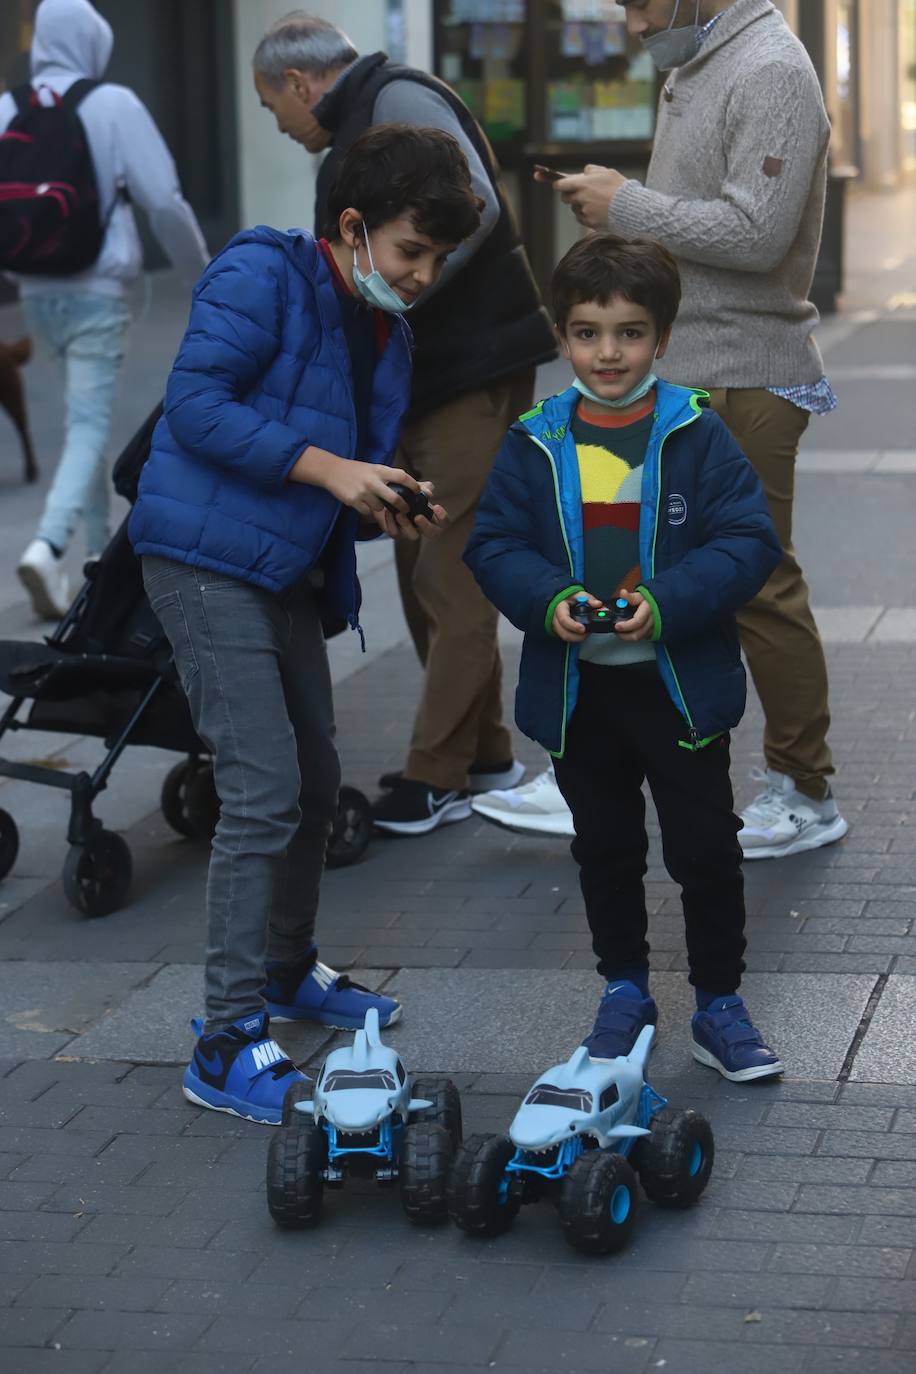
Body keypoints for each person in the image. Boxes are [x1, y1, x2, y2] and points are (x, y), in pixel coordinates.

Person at [129, 125, 482, 1124]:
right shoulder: (262, 271)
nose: (419, 277)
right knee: (263, 791)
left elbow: (333, 456)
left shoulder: (384, 326)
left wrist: (381, 495)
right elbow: (195, 405)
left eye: (436, 262)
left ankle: (286, 974)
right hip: (200, 563)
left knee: (317, 780)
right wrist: (333, 470)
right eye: (410, 253)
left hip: (276, 567)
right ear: (351, 226)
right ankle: (225, 1038)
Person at [526, 0, 848, 862]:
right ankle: (599, 761)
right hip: (692, 367)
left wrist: (626, 203)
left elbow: (757, 231)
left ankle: (805, 788)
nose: (631, 22)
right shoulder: (700, 61)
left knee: (757, 578)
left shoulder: (772, 68)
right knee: (644, 563)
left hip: (748, 369)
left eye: (638, 2)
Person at [465, 233, 784, 1082]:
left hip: (678, 689)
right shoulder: (535, 441)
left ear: (662, 338)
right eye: (588, 332)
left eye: (630, 332)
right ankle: (624, 991)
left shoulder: (696, 433)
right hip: (581, 695)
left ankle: (719, 1002)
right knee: (604, 847)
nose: (609, 352)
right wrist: (548, 599)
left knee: (706, 848)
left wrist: (668, 602)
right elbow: (493, 544)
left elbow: (749, 540)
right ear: (565, 337)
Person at [252, 13, 558, 836]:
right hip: (429, 375)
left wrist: (402, 290)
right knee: (425, 559)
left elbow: (478, 210)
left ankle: (434, 775)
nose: (277, 127)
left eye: (271, 107)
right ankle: (485, 753)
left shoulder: (394, 100)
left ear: (298, 83)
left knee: (451, 573)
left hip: (471, 368)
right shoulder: (366, 115)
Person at [0, 0, 208, 620]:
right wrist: (205, 276)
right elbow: (163, 200)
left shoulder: (8, 106)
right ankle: (49, 544)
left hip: (37, 289)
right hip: (98, 291)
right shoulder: (113, 104)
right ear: (94, 41)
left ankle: (93, 564)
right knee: (89, 426)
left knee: (78, 423)